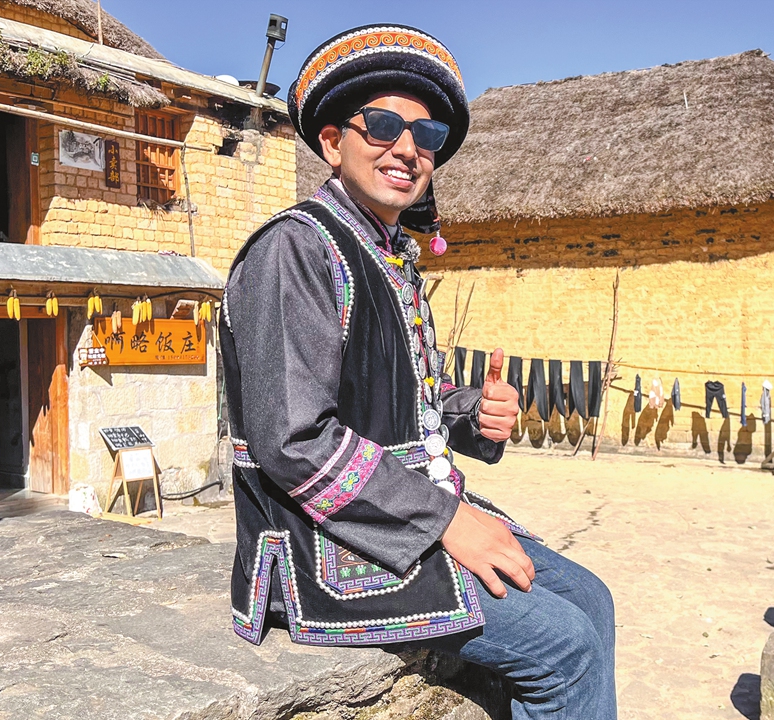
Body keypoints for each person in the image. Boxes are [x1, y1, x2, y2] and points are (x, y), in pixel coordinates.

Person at [221, 25, 615, 719]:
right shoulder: (296, 250)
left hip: (399, 521)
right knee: (565, 647)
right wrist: (444, 521)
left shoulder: (387, 254)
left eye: (425, 134)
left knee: (592, 598)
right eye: (379, 125)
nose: (406, 147)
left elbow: (404, 401)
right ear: (331, 143)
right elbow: (295, 442)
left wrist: (471, 413)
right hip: (327, 548)